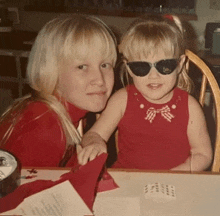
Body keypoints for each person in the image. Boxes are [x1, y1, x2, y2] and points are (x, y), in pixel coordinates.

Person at [78, 14, 213, 171]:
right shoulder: (122, 100)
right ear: (129, 68)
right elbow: (94, 134)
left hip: (175, 182)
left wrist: (175, 174)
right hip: (129, 178)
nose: (153, 76)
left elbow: (202, 154)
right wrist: (94, 142)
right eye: (141, 67)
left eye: (165, 66)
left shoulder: (190, 106)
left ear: (180, 64)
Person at [0, 14, 117, 167]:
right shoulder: (44, 126)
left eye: (105, 65)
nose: (100, 80)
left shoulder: (74, 111)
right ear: (51, 71)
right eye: (82, 67)